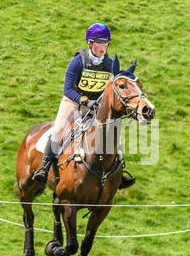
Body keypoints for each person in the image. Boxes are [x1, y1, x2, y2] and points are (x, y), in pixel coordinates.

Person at [33, 22, 136, 192]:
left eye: (105, 44)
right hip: (73, 103)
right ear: (90, 43)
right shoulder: (78, 61)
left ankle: (120, 174)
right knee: (58, 130)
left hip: (96, 107)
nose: (102, 48)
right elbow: (67, 89)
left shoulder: (109, 65)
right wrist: (85, 101)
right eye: (98, 43)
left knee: (113, 134)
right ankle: (43, 169)